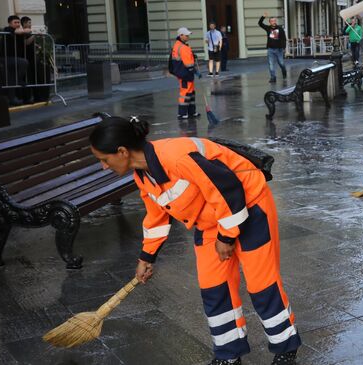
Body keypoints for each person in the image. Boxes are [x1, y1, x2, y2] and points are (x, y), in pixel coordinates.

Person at [89, 117, 302, 365]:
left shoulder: (176, 157)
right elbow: (156, 217)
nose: (103, 166)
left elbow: (230, 189)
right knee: (214, 288)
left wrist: (226, 236)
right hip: (210, 220)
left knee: (261, 284)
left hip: (250, 208)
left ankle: (285, 348)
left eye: (104, 159)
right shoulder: (144, 176)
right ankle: (228, 354)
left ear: (122, 152)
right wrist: (146, 258)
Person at [170, 27, 199, 119]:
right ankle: (182, 113)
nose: (188, 37)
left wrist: (192, 55)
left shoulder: (178, 45)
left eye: (188, 35)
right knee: (185, 93)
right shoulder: (183, 47)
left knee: (190, 92)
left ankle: (191, 112)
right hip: (185, 73)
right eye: (186, 35)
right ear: (180, 35)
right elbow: (188, 63)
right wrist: (195, 71)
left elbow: (183, 58)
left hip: (182, 72)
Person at [0, 15, 29, 106]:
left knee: (11, 79)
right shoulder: (7, 29)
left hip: (14, 59)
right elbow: (17, 31)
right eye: (15, 22)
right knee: (23, 62)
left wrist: (36, 34)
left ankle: (13, 99)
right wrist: (26, 30)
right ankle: (17, 81)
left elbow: (26, 42)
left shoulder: (20, 32)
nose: (17, 24)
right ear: (9, 23)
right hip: (5, 58)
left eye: (18, 22)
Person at [259, 13, 287, 83]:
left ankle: (284, 71)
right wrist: (263, 17)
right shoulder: (268, 28)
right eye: (272, 21)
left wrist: (284, 48)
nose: (273, 22)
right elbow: (260, 23)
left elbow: (284, 39)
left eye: (274, 21)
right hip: (270, 49)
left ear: (275, 21)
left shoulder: (280, 29)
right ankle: (273, 77)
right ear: (270, 22)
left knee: (281, 63)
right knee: (271, 64)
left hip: (279, 49)